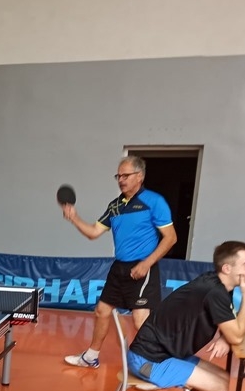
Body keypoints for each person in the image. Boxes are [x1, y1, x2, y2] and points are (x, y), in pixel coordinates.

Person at [127, 241, 245, 391]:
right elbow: (237, 334)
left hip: (167, 353)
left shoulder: (216, 284)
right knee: (219, 388)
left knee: (224, 379)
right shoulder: (215, 292)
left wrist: (225, 337)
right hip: (149, 360)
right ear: (227, 268)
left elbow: (229, 326)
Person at [61, 156, 177, 367]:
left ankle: (156, 364)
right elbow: (94, 232)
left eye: (126, 175)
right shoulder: (115, 206)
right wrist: (74, 218)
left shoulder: (154, 201)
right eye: (118, 176)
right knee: (102, 311)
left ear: (139, 176)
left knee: (140, 320)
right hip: (119, 267)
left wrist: (147, 263)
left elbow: (171, 238)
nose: (121, 180)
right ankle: (90, 357)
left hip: (143, 266)